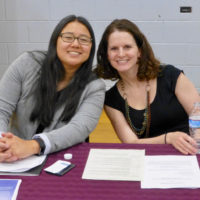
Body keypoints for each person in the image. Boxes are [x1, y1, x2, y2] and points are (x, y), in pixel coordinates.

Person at [0, 15, 105, 162]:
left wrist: (32, 146)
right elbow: (2, 108)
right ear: (55, 41)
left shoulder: (95, 87)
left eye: (83, 40)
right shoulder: (26, 63)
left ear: (91, 48)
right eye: (68, 37)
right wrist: (2, 143)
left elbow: (79, 128)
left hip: (62, 159)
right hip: (13, 157)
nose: (76, 44)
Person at [95, 18, 200, 155]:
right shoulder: (111, 100)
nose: (121, 54)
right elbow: (131, 143)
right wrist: (168, 138)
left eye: (127, 47)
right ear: (107, 55)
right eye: (114, 48)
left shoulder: (170, 75)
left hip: (189, 152)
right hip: (149, 159)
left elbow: (198, 115)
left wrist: (195, 145)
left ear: (139, 51)